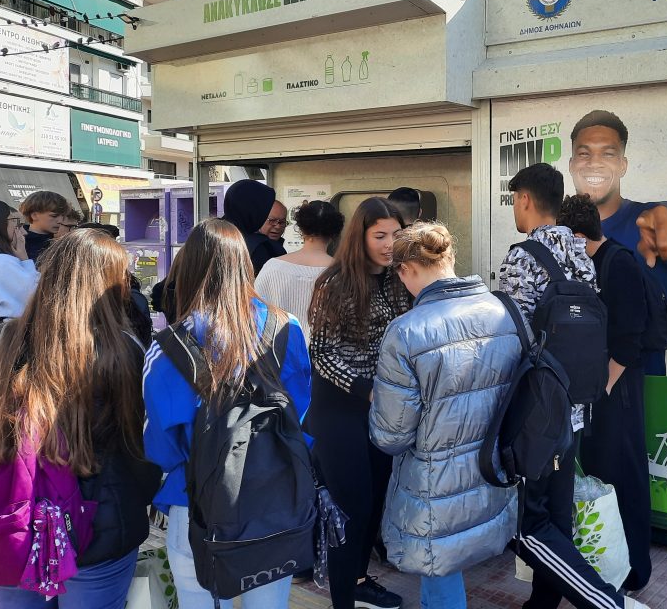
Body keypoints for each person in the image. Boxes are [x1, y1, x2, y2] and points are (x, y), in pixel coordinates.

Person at [142, 218, 311, 609]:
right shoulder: (287, 327)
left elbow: (160, 446)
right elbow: (301, 413)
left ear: (187, 268)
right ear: (244, 266)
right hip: (274, 498)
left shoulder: (169, 346)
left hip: (196, 503)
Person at [499, 164, 646, 609]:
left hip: (535, 413)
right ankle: (542, 602)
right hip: (574, 407)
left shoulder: (522, 256)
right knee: (557, 514)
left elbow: (511, 339)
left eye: (515, 201)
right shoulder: (581, 254)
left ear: (525, 199)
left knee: (531, 524)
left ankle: (605, 602)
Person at [0, 229, 161, 609]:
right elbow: (139, 446)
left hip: (17, 517)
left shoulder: (4, 340)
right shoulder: (122, 351)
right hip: (102, 522)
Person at [370, 222, 522, 609]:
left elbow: (391, 436)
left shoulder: (406, 331)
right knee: (447, 568)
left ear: (406, 269)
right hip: (491, 470)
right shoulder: (504, 310)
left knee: (439, 569)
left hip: (433, 483)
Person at [309, 197, 412, 609]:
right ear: (361, 236)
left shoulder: (399, 278)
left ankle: (359, 580)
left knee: (375, 503)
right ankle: (342, 599)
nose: (389, 244)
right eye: (380, 235)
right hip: (340, 410)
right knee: (351, 507)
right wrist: (365, 388)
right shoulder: (335, 283)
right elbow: (321, 353)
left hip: (383, 408)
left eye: (396, 235)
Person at [557, 193, 653, 591]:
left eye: (567, 239)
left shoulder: (620, 263)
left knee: (624, 476)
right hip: (596, 390)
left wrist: (604, 389)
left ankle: (634, 571)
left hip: (618, 389)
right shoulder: (587, 264)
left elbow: (630, 340)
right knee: (600, 474)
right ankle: (606, 563)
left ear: (580, 236)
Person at [569, 110, 667, 374]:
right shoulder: (556, 232)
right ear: (572, 164)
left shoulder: (647, 221)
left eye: (608, 154)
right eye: (584, 153)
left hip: (642, 392)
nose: (595, 163)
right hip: (571, 388)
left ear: (623, 165)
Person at [255, 200, 344, 342]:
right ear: (335, 233)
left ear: (301, 228)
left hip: (278, 351)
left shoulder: (272, 267)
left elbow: (255, 314)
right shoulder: (344, 272)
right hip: (327, 354)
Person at [221, 179, 285, 275]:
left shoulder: (209, 235)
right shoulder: (261, 248)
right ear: (254, 210)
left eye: (282, 222)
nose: (277, 226)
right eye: (264, 210)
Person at [0, 200, 39, 329]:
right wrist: (25, 260)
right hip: (7, 336)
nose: (23, 233)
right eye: (16, 224)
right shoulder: (2, 262)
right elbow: (37, 297)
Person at [19, 190, 69, 263]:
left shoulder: (60, 243)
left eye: (63, 216)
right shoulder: (17, 242)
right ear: (34, 215)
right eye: (54, 216)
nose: (60, 220)